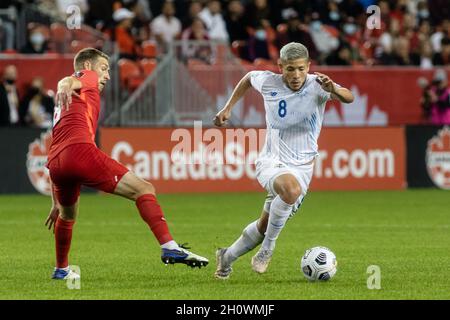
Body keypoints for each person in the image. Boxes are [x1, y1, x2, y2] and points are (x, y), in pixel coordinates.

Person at [45, 48, 208, 280]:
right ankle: (169, 246)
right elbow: (69, 80)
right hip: (79, 151)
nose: (108, 76)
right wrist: (63, 85)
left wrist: (55, 202)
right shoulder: (85, 77)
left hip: (56, 163)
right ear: (89, 67)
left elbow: (56, 145)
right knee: (144, 189)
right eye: (104, 69)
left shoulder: (65, 106)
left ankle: (61, 269)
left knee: (67, 216)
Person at [213, 42, 354, 279]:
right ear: (280, 67)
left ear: (309, 66)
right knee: (290, 190)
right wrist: (227, 108)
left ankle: (226, 257)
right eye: (290, 69)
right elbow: (248, 78)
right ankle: (268, 250)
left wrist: (335, 90)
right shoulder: (269, 82)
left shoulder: (319, 85)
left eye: (301, 69)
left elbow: (349, 97)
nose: (296, 75)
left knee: (263, 226)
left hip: (303, 168)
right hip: (272, 161)